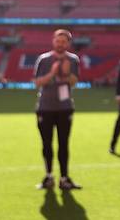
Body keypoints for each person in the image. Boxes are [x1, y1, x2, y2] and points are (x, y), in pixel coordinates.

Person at [33, 29, 82, 190]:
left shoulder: (73, 59)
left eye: (64, 41)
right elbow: (38, 82)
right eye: (58, 41)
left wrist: (66, 73)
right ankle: (48, 176)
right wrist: (52, 73)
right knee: (47, 143)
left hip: (65, 108)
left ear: (68, 43)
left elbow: (74, 82)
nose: (60, 44)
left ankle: (64, 177)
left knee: (63, 144)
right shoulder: (44, 59)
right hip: (45, 108)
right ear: (53, 41)